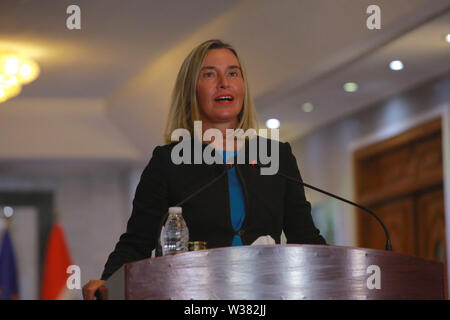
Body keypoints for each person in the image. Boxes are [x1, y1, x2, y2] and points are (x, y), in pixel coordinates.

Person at [82, 39, 326, 300]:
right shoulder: (168, 161)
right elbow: (137, 242)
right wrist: (108, 282)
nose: (224, 82)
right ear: (191, 90)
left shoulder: (276, 156)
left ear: (243, 86)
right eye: (210, 74)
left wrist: (341, 272)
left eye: (233, 73)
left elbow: (305, 236)